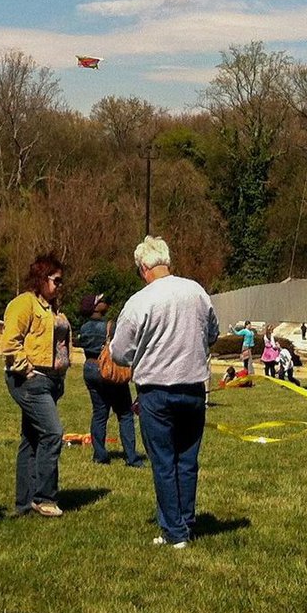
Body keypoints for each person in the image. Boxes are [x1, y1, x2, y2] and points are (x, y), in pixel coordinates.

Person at [110, 235, 219, 550]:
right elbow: (212, 332)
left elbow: (119, 352)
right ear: (167, 261)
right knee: (187, 460)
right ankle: (185, 520)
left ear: (144, 267)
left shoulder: (140, 301)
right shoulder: (196, 291)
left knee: (163, 462)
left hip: (156, 391)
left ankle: (174, 531)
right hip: (194, 389)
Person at [0, 252, 71, 518]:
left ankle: (24, 503)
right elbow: (9, 342)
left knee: (31, 439)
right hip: (31, 380)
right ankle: (44, 498)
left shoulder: (53, 307)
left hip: (50, 381)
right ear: (42, 278)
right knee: (53, 433)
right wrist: (26, 369)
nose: (60, 285)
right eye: (56, 280)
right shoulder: (24, 303)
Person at [75, 293, 145, 468]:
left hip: (90, 368)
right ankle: (131, 457)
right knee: (125, 414)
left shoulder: (83, 328)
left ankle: (99, 455)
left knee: (99, 413)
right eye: (101, 301)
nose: (105, 303)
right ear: (95, 307)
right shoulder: (110, 326)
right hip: (108, 370)